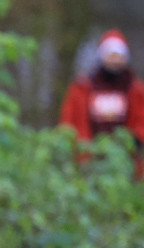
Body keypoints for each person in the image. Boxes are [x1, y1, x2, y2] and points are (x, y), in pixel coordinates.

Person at [59, 29, 144, 177]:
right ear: (102, 57)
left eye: (119, 56)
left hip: (125, 164)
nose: (115, 61)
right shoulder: (83, 88)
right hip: (88, 161)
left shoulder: (134, 90)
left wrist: (136, 139)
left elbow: (141, 121)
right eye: (111, 55)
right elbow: (69, 121)